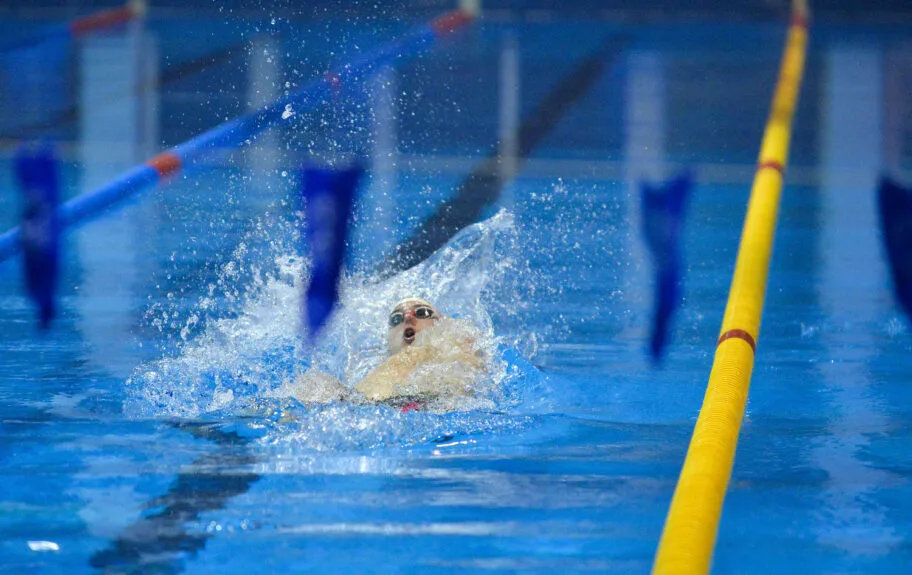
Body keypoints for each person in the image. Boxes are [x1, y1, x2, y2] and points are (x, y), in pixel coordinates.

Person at [293, 297, 488, 409]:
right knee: (315, 384)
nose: (408, 317)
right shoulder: (385, 368)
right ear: (388, 342)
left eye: (422, 312)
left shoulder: (455, 343)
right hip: (368, 409)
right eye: (396, 319)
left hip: (431, 407)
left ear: (443, 321)